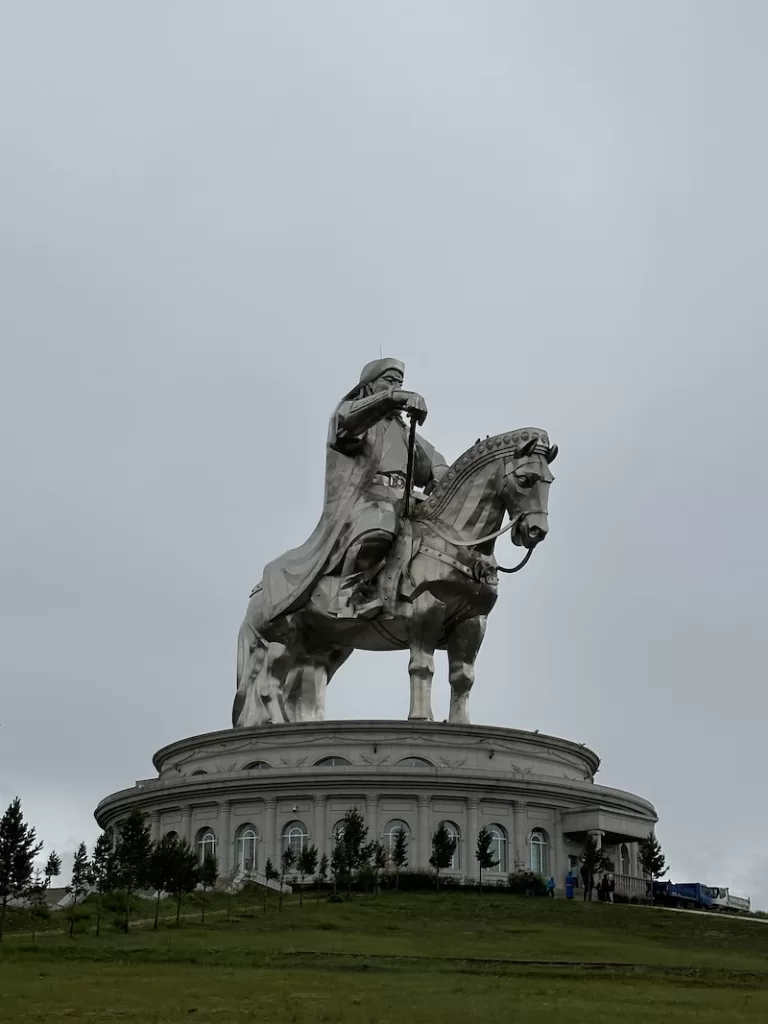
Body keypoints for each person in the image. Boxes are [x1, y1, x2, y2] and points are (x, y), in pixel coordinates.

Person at [256, 358, 448, 624]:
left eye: (400, 383)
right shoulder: (352, 416)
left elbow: (433, 459)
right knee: (381, 520)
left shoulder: (405, 431)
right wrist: (393, 398)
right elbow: (348, 423)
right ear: (369, 387)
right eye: (389, 381)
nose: (396, 386)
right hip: (367, 501)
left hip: (405, 502)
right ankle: (349, 594)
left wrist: (442, 474)